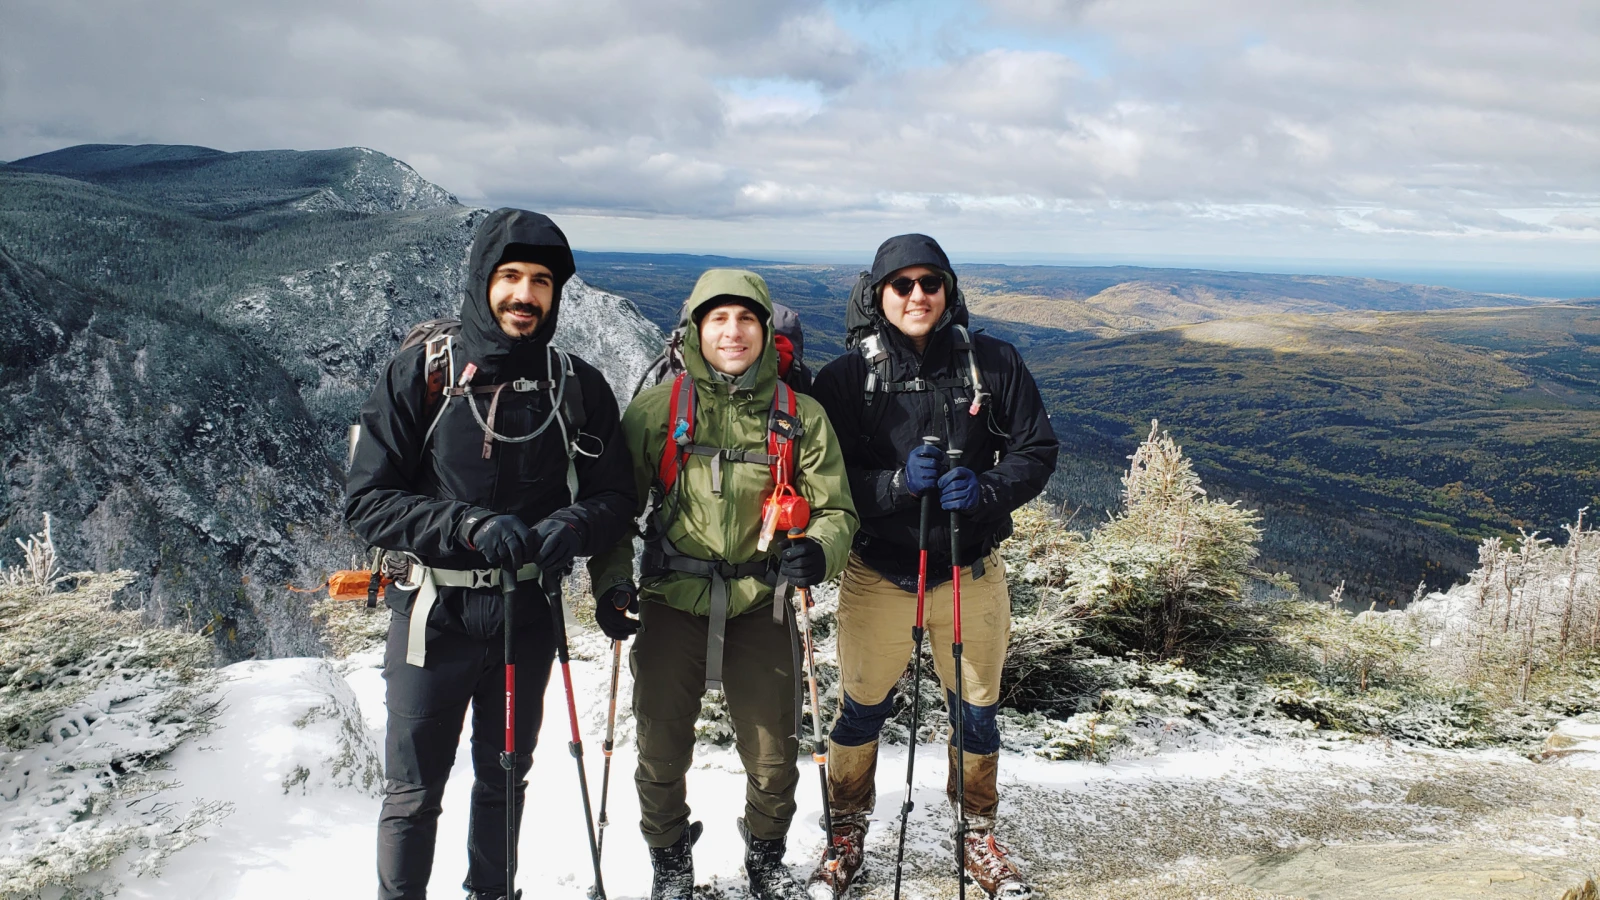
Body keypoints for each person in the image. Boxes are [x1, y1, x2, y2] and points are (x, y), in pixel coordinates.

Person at [346, 208, 636, 900]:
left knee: (505, 775)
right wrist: (468, 526)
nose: (524, 295)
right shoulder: (422, 372)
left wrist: (575, 526)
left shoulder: (577, 387)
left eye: (541, 281)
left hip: (525, 616)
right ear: (482, 280)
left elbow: (617, 498)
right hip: (432, 616)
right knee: (414, 791)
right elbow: (366, 503)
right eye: (509, 276)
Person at [587, 269, 858, 900]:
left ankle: (765, 855)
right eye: (718, 319)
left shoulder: (799, 415)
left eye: (745, 320)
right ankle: (671, 863)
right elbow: (613, 506)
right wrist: (610, 586)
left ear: (765, 331)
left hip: (762, 601)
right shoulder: (659, 410)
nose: (732, 332)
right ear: (694, 331)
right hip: (670, 599)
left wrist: (819, 553)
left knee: (773, 753)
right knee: (660, 745)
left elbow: (836, 510)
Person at [809, 234, 1058, 899]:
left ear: (948, 290)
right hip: (880, 572)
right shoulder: (844, 379)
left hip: (970, 570)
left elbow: (1036, 449)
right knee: (861, 710)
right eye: (901, 284)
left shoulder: (995, 364)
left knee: (976, 711)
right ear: (878, 294)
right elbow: (823, 478)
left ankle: (977, 833)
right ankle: (846, 828)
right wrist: (892, 486)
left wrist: (988, 491)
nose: (917, 295)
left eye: (930, 282)